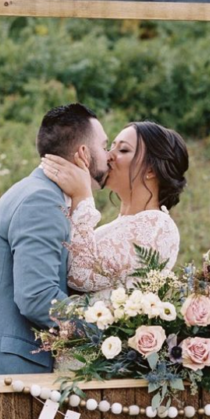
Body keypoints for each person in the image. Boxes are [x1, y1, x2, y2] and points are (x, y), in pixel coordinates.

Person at [0, 103, 110, 374]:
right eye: (104, 145)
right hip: (11, 365)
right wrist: (108, 334)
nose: (108, 156)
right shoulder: (41, 201)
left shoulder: (33, 191)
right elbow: (37, 296)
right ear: (84, 154)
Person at [40, 120, 188, 295]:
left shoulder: (157, 225)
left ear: (151, 170)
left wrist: (82, 196)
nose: (108, 155)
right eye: (110, 147)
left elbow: (81, 276)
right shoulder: (123, 224)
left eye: (123, 150)